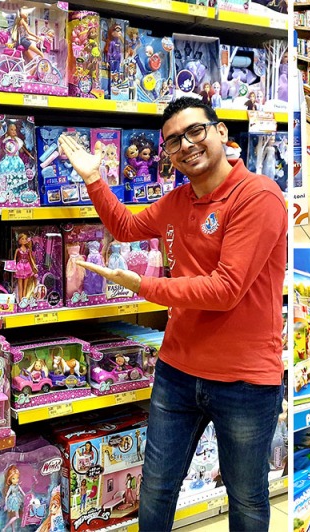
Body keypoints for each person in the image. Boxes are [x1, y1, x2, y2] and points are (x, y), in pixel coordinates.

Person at [57, 97, 286, 531]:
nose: (186, 145)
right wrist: (93, 179)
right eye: (174, 141)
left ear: (220, 132)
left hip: (244, 380)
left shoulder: (258, 195)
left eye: (195, 131)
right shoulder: (179, 200)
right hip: (177, 370)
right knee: (157, 488)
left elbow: (224, 290)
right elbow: (125, 227)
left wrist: (142, 286)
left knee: (246, 498)